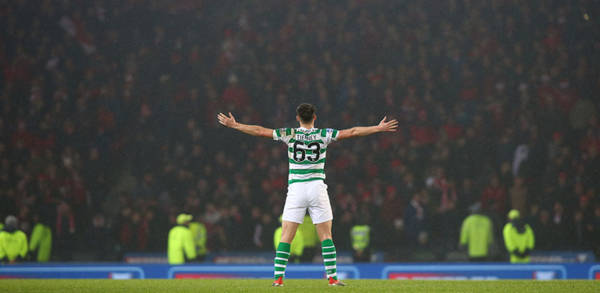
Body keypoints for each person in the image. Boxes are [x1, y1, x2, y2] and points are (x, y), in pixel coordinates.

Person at [218, 103, 398, 286]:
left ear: (297, 118)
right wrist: (377, 128)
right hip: (317, 187)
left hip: (296, 189)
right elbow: (352, 132)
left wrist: (236, 125)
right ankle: (333, 278)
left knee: (286, 236)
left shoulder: (289, 134)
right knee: (326, 236)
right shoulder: (323, 134)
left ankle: (278, 279)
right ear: (315, 117)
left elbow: (259, 131)